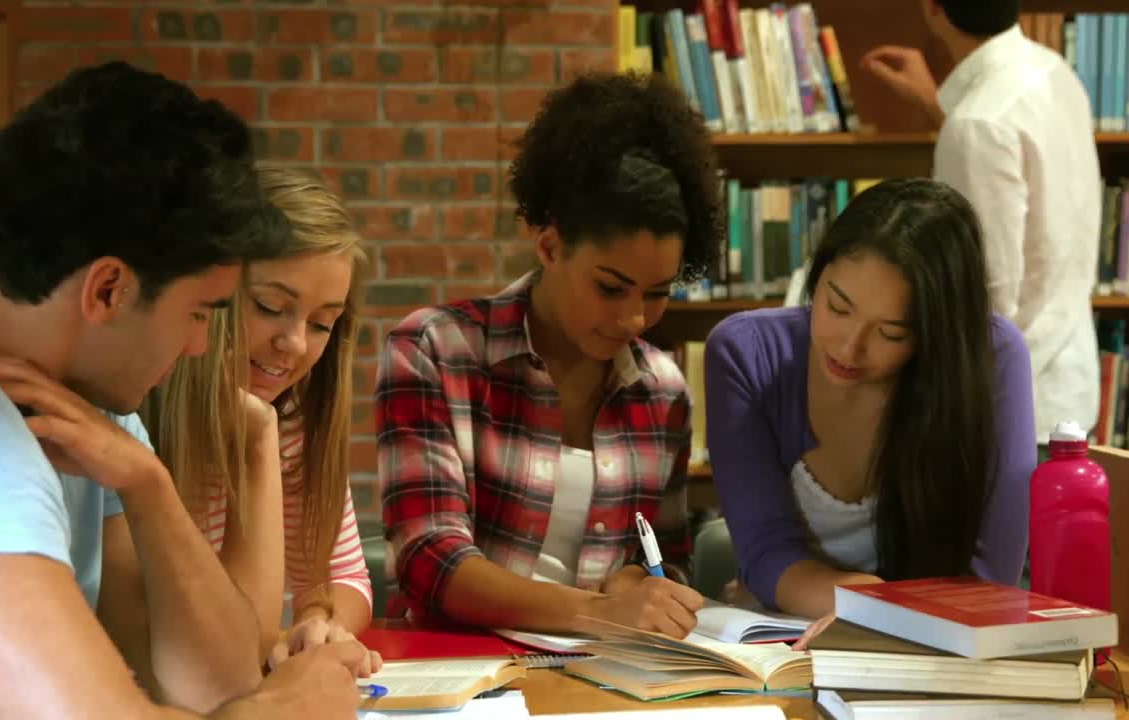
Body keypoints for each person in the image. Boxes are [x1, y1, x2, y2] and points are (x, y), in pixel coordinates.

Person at [0, 62, 362, 719]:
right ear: (108, 290)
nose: (200, 346)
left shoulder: (92, 406)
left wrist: (147, 484)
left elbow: (211, 685)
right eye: (201, 312)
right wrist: (297, 707)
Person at [376, 72, 724, 639]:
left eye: (658, 293)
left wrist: (640, 585)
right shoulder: (434, 350)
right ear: (550, 245)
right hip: (462, 676)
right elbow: (428, 558)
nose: (635, 318)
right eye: (611, 287)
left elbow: (667, 554)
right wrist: (597, 612)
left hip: (605, 674)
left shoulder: (663, 390)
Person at [704, 179, 1036, 637]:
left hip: (946, 650)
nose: (849, 347)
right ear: (816, 275)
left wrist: (874, 614)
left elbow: (988, 577)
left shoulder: (990, 357)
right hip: (787, 643)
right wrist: (863, 601)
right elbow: (765, 553)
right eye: (837, 306)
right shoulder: (747, 354)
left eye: (891, 333)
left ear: (933, 335)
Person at [145, 164, 378, 670]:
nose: (293, 344)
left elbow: (346, 576)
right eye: (271, 306)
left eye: (321, 324)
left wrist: (319, 620)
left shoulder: (287, 418)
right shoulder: (136, 414)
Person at [862, 0, 1101, 447]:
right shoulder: (1053, 70)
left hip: (1009, 402)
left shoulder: (977, 124)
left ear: (932, 8)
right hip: (1067, 381)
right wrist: (940, 108)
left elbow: (989, 290)